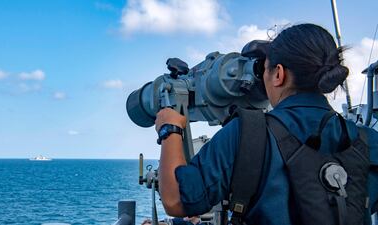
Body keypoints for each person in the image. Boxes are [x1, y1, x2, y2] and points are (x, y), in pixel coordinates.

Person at [154, 23, 378, 224]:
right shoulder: (369, 141)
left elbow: (176, 200)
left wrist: (170, 128)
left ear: (278, 74)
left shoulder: (247, 134)